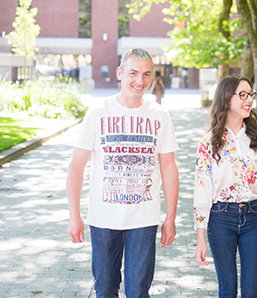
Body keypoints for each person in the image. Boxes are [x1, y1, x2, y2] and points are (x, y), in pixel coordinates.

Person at [66, 48, 179, 298]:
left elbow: (169, 168)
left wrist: (170, 217)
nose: (140, 81)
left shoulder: (160, 116)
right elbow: (76, 166)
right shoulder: (98, 113)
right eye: (134, 73)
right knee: (105, 289)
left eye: (147, 74)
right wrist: (74, 216)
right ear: (120, 73)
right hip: (103, 218)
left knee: (138, 291)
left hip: (144, 219)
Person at [194, 74, 257, 298]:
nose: (249, 100)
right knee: (227, 290)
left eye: (250, 94)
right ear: (226, 99)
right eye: (242, 95)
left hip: (254, 216)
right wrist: (200, 238)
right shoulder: (208, 142)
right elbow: (202, 191)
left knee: (251, 290)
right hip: (220, 217)